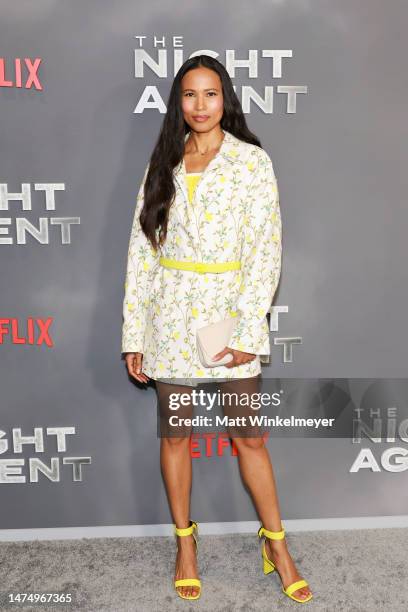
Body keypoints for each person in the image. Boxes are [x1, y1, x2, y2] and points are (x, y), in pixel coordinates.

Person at [121, 55, 313, 604]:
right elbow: (142, 250)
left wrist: (248, 330)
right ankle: (186, 543)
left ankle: (276, 545)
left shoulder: (252, 163)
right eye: (189, 95)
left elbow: (265, 253)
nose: (200, 106)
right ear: (177, 102)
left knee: (248, 436)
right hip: (170, 316)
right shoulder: (164, 162)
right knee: (176, 435)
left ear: (225, 98)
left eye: (210, 94)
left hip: (228, 313)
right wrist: (135, 332)